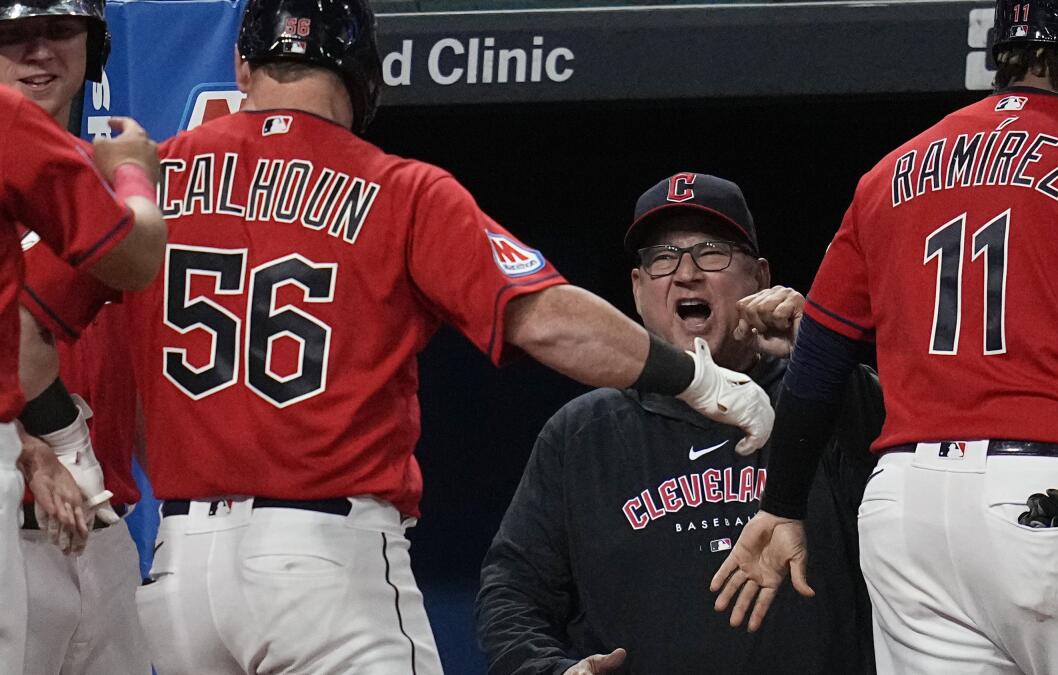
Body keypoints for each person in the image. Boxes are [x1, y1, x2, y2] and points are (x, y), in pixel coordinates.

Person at [28, 1, 774, 672]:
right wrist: (700, 379)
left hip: (181, 572)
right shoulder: (400, 187)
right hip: (322, 565)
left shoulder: (149, 177)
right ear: (363, 77)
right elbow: (548, 318)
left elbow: (26, 330)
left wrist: (68, 449)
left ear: (244, 67)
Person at [711, 0, 1058, 673]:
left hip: (905, 511)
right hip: (1052, 496)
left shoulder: (891, 173)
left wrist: (782, 502)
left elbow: (819, 358)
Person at [476, 173, 883, 675]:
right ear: (638, 288)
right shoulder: (583, 434)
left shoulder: (831, 404)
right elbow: (512, 592)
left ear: (759, 276)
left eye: (711, 252)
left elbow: (918, 511)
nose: (686, 274)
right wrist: (551, 670)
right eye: (662, 258)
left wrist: (819, 356)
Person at [0, 0, 154, 672]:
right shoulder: (128, 186)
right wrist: (43, 443)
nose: (39, 53)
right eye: (13, 36)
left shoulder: (100, 183)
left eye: (59, 32)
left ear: (94, 47)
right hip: (15, 527)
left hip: (105, 532)